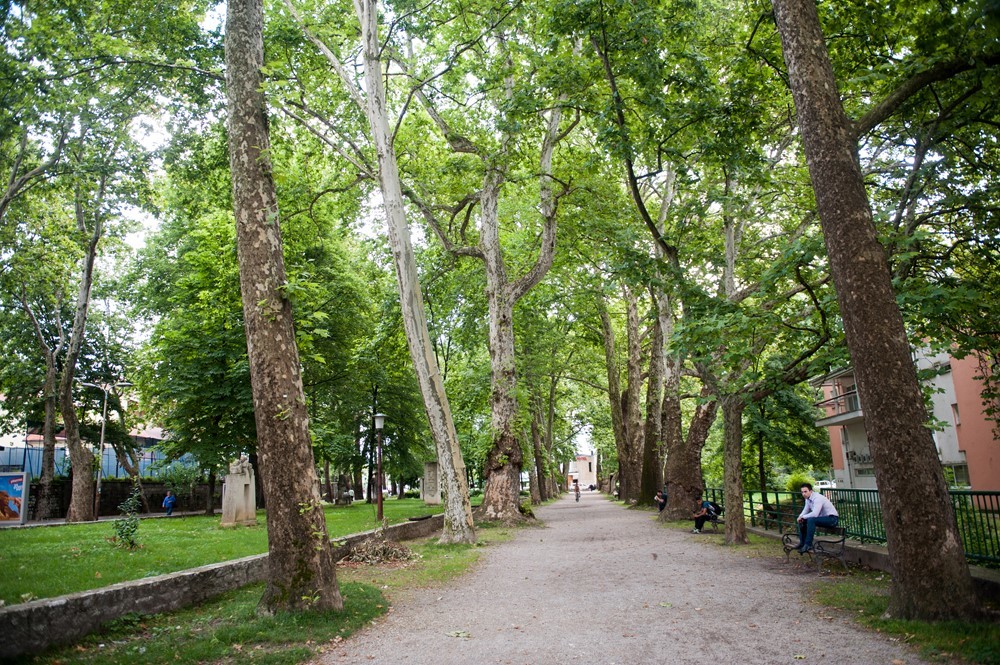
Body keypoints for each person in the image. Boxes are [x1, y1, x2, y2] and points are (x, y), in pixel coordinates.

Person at [795, 482, 839, 553]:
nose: (803, 494)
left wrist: (803, 516)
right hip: (823, 519)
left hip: (832, 519)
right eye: (802, 492)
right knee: (802, 521)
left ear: (811, 491)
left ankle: (808, 545)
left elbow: (815, 514)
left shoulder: (817, 498)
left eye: (805, 491)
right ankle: (802, 543)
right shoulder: (808, 499)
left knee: (811, 520)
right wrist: (800, 517)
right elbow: (806, 509)